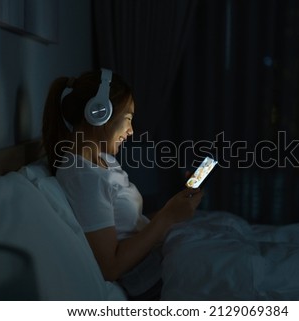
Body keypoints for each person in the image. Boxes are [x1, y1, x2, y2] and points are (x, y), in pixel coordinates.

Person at [41, 69, 203, 300]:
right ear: (99, 113)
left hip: (161, 255)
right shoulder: (83, 176)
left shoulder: (104, 161)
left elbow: (128, 226)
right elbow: (110, 267)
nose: (131, 131)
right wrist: (167, 217)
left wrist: (174, 209)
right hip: (150, 278)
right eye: (127, 118)